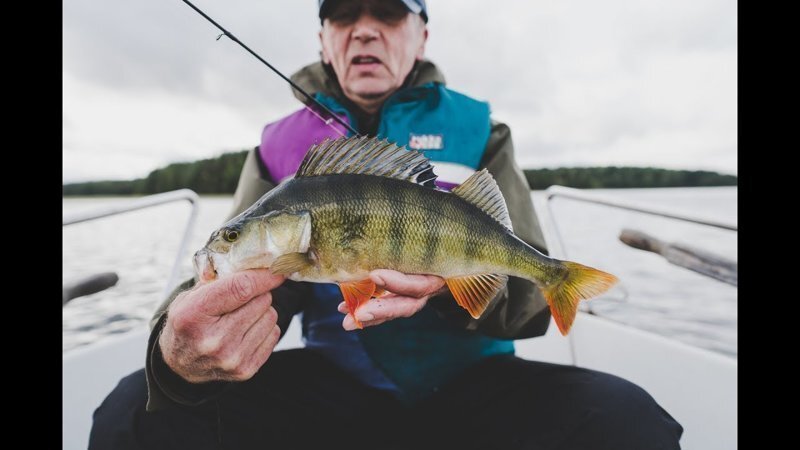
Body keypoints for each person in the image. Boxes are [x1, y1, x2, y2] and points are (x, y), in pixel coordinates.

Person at [89, 1, 683, 448]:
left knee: (631, 422)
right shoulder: (278, 155)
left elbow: (528, 309)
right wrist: (178, 348)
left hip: (473, 382)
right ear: (324, 40)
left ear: (421, 34)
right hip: (331, 384)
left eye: (390, 12)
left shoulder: (482, 134)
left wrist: (453, 283)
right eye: (344, 13)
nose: (365, 28)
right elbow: (217, 278)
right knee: (129, 414)